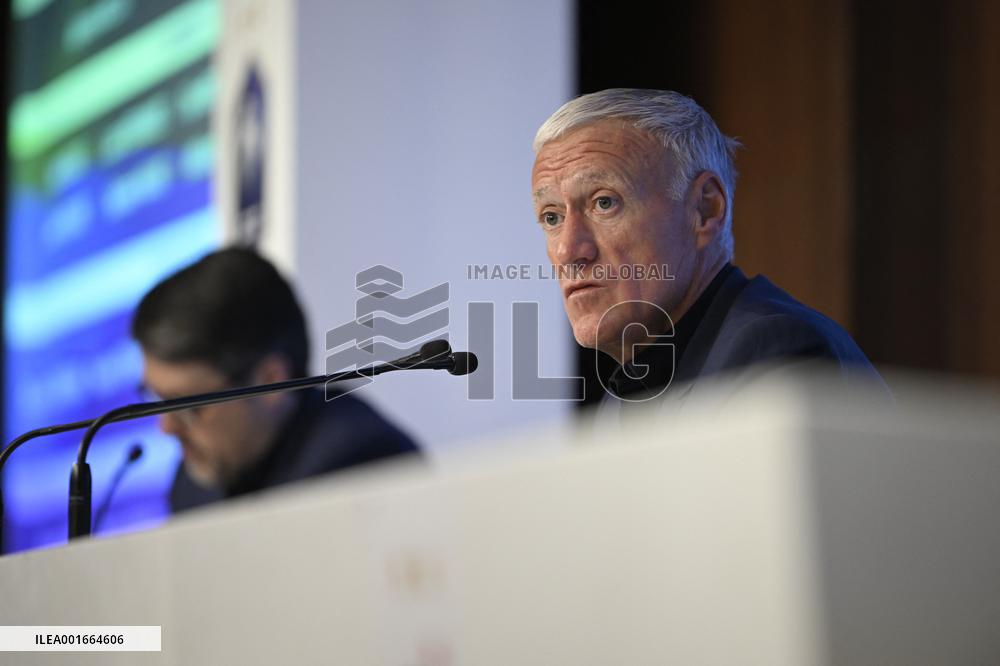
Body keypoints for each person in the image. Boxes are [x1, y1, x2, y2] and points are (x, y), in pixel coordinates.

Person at [531, 88, 884, 408]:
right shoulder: (625, 395)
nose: (567, 251)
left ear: (705, 209)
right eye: (551, 217)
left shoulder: (771, 352)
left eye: (604, 203)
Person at [132, 247, 419, 513]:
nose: (166, 427)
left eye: (187, 405)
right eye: (157, 398)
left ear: (269, 380)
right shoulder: (192, 483)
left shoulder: (355, 460)